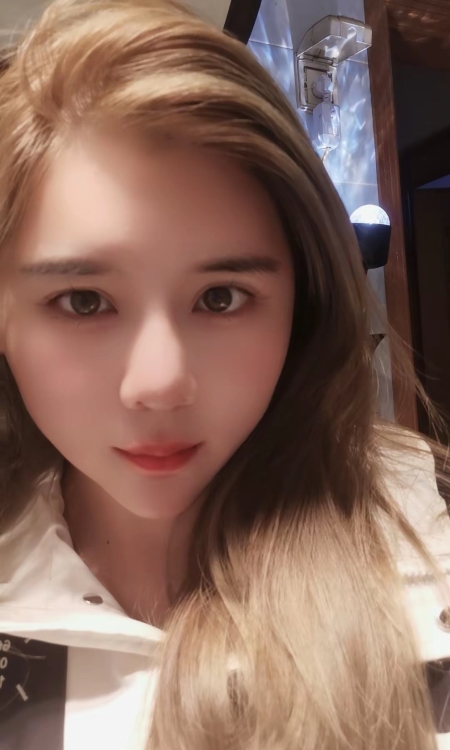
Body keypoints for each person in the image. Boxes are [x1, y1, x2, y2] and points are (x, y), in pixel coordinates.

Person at [0, 1, 449, 748]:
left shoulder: (428, 566)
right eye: (83, 301)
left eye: (221, 298)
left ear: (303, 303)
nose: (158, 386)